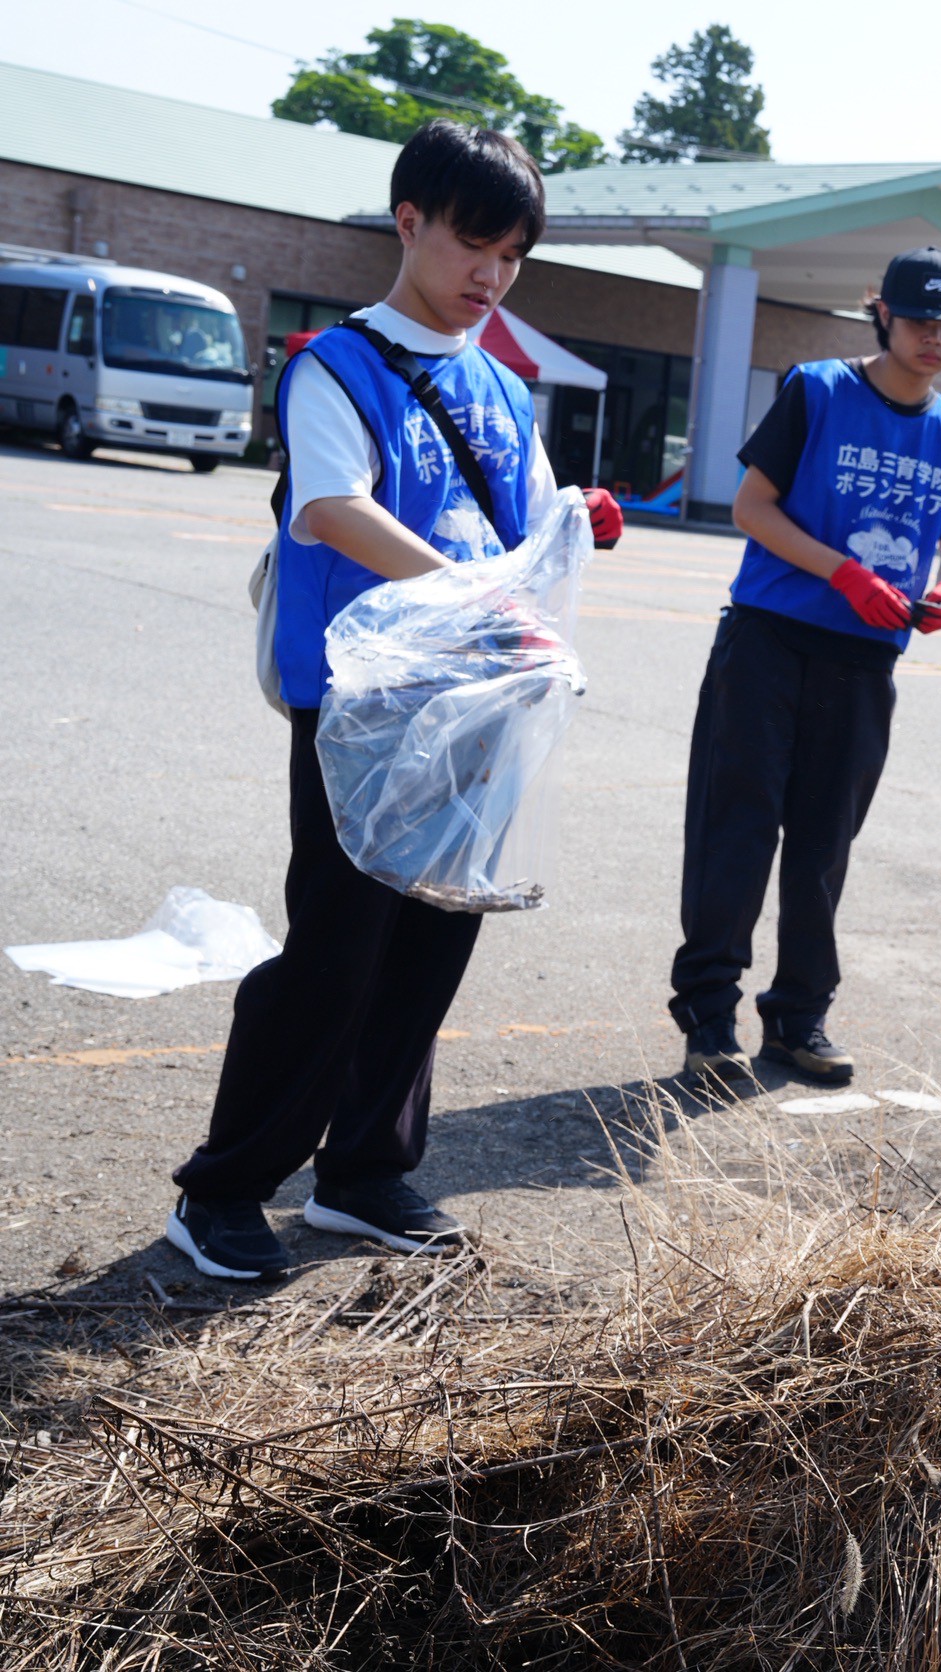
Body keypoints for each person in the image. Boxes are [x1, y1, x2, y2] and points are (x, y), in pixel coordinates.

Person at [167, 120, 624, 1282]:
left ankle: (365, 1173)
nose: (491, 277)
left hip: (471, 704)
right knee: (337, 948)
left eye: (512, 255)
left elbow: (524, 530)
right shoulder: (337, 364)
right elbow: (334, 508)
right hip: (361, 707)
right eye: (475, 244)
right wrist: (481, 590)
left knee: (432, 939)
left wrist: (570, 528)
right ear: (408, 221)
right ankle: (223, 1190)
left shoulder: (501, 388)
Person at [668, 246, 941, 1085]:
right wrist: (843, 573)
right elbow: (752, 508)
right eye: (919, 321)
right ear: (880, 313)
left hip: (863, 662)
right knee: (735, 830)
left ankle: (799, 1019)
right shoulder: (817, 389)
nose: (934, 340)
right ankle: (709, 1019)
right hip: (771, 637)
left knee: (822, 847)